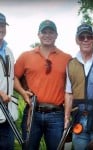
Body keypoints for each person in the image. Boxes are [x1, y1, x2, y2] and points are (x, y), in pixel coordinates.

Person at [14, 19, 71, 150]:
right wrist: (23, 92)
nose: (47, 35)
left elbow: (71, 88)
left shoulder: (67, 58)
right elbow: (14, 77)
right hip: (32, 112)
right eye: (44, 32)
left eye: (51, 32)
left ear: (56, 35)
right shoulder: (26, 56)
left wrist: (68, 115)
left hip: (57, 115)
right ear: (38, 35)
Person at [65, 23, 93, 150]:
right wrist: (67, 117)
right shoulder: (71, 64)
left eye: (89, 36)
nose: (85, 40)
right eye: (82, 37)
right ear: (77, 40)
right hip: (78, 119)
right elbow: (68, 93)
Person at [0, 12, 18, 150]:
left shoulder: (9, 51)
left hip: (8, 113)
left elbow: (13, 77)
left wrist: (24, 91)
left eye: (3, 25)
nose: (1, 28)